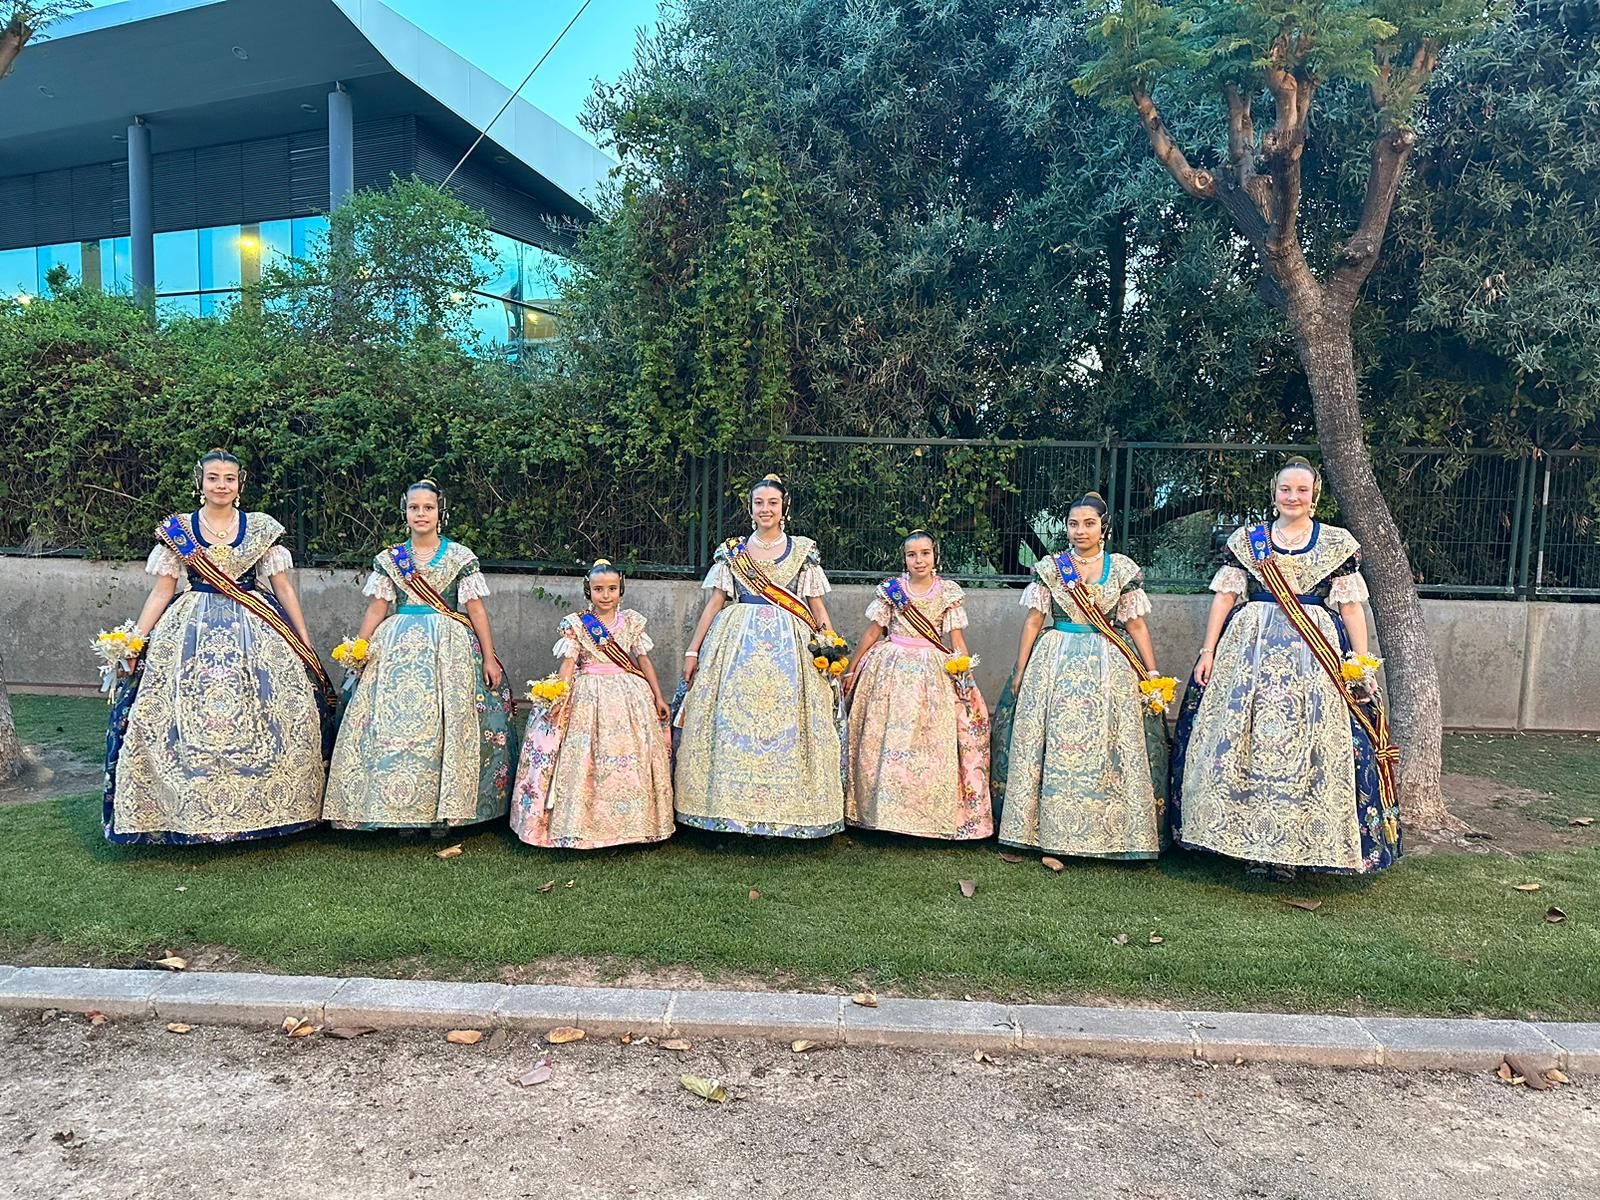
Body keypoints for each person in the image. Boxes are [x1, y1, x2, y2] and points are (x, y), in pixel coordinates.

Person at [1170, 457, 1403, 878]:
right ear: (1273, 493)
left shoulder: (1337, 544)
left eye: (1301, 490)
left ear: (1315, 497)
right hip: (1249, 654)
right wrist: (1208, 651)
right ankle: (1248, 846)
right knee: (1246, 740)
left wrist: (1359, 663)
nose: (1292, 497)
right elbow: (1225, 597)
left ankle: (1293, 851)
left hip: (1314, 660)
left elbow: (1350, 607)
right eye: (1285, 489)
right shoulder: (1248, 541)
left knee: (1307, 745)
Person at [103, 449, 333, 844]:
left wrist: (303, 639)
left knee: (271, 713)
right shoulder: (179, 531)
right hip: (189, 631)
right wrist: (134, 641)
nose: (221, 485)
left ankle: (268, 808)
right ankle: (186, 810)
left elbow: (284, 590)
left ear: (239, 483)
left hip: (257, 626)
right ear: (200, 483)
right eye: (213, 478)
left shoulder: (261, 529)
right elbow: (162, 593)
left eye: (229, 478)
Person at [322, 480, 513, 831]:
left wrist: (489, 656)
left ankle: (444, 810)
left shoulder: (460, 556)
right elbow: (377, 608)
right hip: (394, 648)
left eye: (428, 507)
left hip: (450, 648)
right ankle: (391, 808)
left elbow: (476, 610)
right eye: (414, 508)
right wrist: (360, 648)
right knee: (388, 722)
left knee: (447, 723)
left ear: (441, 511)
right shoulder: (390, 559)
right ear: (404, 511)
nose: (421, 514)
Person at [994, 492, 1167, 860]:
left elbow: (1135, 625)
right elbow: (1034, 620)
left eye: (1089, 523)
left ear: (1104, 527)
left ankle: (1108, 832)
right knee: (1053, 741)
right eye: (1074, 524)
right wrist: (1021, 667)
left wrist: (1151, 672)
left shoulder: (1121, 568)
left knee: (1106, 743)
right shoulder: (1052, 567)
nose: (1080, 531)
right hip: (1055, 659)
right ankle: (1042, 829)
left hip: (1109, 663)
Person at [674, 473, 845, 837]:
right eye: (758, 503)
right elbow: (715, 602)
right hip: (734, 643)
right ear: (750, 509)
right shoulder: (732, 550)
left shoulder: (802, 550)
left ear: (784, 507)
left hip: (793, 645)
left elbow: (816, 604)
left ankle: (790, 811)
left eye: (772, 502)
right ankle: (722, 809)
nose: (765, 509)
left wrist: (830, 645)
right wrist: (693, 650)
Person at [510, 560, 675, 849]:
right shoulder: (576, 625)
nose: (606, 595)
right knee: (584, 757)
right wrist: (557, 694)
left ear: (621, 590)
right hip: (587, 694)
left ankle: (636, 824)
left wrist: (658, 696)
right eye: (599, 589)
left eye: (612, 589)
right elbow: (569, 663)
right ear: (589, 590)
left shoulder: (633, 622)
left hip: (629, 693)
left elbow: (643, 660)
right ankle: (579, 824)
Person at [842, 531, 991, 839]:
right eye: (912, 555)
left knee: (930, 743)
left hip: (932, 671)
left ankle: (926, 815)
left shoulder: (948, 592)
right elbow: (873, 633)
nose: (919, 560)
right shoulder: (892, 591)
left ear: (935, 555)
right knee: (886, 740)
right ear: (904, 558)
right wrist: (853, 668)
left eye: (925, 553)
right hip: (890, 668)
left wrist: (963, 674)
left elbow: (956, 641)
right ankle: (882, 813)